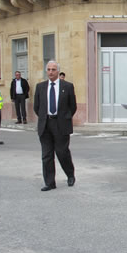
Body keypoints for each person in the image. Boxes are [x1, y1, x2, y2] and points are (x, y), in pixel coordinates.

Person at [33, 61, 77, 191]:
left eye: (53, 69)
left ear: (58, 71)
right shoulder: (40, 86)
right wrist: (44, 117)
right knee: (46, 155)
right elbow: (37, 107)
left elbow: (72, 106)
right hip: (45, 124)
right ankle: (49, 182)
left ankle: (70, 174)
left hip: (61, 124)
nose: (50, 72)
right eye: (48, 69)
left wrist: (65, 117)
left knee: (62, 152)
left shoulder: (67, 86)